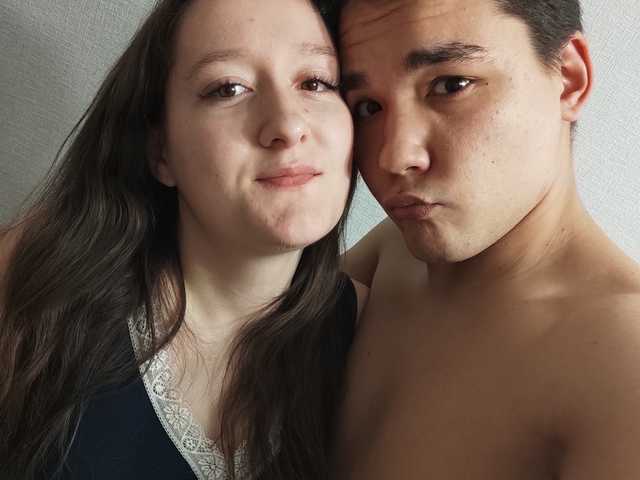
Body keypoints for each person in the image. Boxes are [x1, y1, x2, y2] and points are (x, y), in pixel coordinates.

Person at [0, 0, 366, 478]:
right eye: (228, 88)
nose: (287, 125)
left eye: (315, 82)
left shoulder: (373, 335)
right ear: (161, 152)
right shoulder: (32, 285)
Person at [331, 0, 640, 478]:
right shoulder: (390, 253)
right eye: (368, 107)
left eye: (450, 85)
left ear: (569, 78)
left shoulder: (621, 367)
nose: (394, 156)